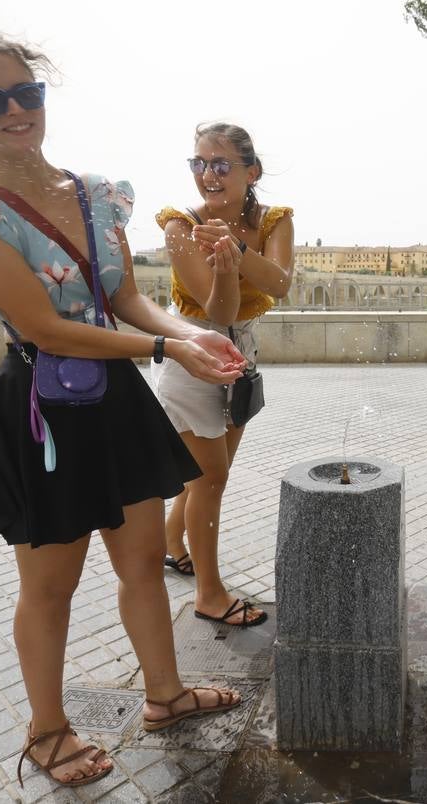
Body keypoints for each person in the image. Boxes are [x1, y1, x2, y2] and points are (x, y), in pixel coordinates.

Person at [0, 32, 249, 788]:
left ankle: (165, 696)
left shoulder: (97, 193)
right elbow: (43, 326)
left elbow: (125, 300)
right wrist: (166, 355)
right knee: (50, 585)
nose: (15, 109)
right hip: (40, 407)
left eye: (27, 92)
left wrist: (194, 335)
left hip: (114, 400)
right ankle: (47, 730)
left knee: (140, 567)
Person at [152, 122, 294, 627]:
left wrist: (237, 254)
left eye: (220, 164)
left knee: (212, 472)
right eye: (199, 163)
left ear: (250, 171)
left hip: (241, 348)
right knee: (210, 476)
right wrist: (224, 268)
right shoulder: (179, 226)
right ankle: (209, 594)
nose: (207, 175)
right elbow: (214, 307)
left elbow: (279, 283)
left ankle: (173, 541)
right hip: (193, 348)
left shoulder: (273, 221)